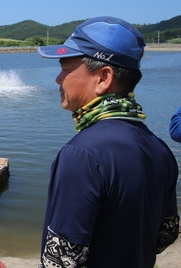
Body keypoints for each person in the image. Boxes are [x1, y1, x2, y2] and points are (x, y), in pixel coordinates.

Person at [36, 16, 179, 267]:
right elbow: (166, 234)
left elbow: (60, 262)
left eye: (66, 69)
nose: (58, 79)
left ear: (103, 77)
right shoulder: (160, 148)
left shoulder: (81, 154)